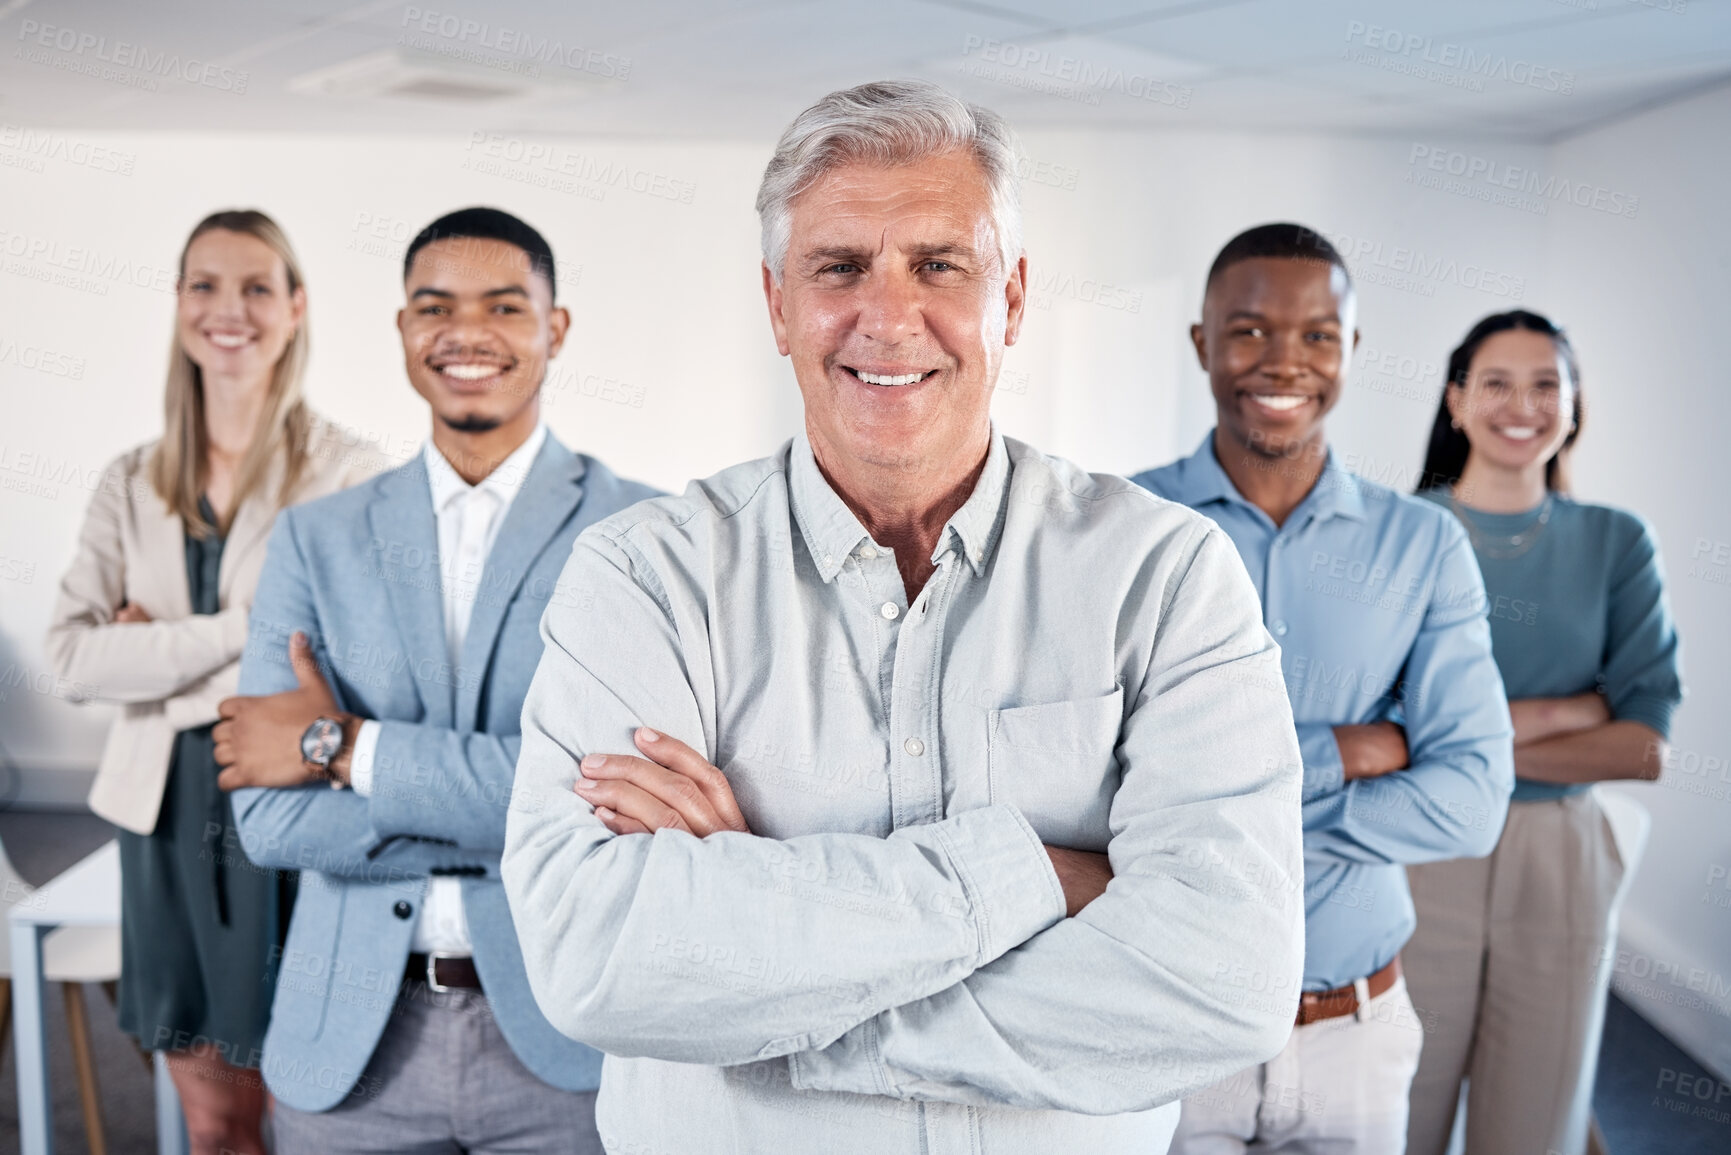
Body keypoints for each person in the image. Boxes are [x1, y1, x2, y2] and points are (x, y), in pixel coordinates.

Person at [500, 80, 1304, 1155]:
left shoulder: (1165, 576)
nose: (887, 317)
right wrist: (1037, 876)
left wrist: (771, 984)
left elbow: (1225, 977)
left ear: (1009, 300)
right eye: (839, 269)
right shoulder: (643, 578)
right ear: (778, 304)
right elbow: (597, 957)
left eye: (939, 265)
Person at [215, 207, 660, 1155]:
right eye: (435, 306)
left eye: (504, 305)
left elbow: (628, 807)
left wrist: (342, 747)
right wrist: (518, 809)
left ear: (556, 327)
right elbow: (270, 820)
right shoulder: (314, 538)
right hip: (354, 1044)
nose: (467, 332)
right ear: (405, 330)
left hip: (572, 1033)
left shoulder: (646, 534)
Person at [1130, 223, 1515, 1154]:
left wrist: (1225, 812)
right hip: (1168, 1027)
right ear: (1201, 344)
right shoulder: (1123, 529)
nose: (1283, 361)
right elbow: (1095, 787)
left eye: (1317, 335)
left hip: (1355, 1031)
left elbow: (1470, 801)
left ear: (1349, 351)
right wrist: (1349, 751)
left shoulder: (1423, 547)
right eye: (1250, 330)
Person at [45, 209, 383, 1155]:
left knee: (316, 1108)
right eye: (204, 284)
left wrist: (153, 655)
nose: (227, 309)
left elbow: (345, 665)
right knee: (214, 1123)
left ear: (295, 307)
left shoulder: (347, 473)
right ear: (180, 303)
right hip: (162, 821)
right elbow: (72, 656)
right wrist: (251, 636)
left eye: (255, 286)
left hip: (290, 811)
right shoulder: (129, 481)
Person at [1402, 310, 1683, 1155]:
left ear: (1572, 407)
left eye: (1544, 384)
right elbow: (1370, 723)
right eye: (1495, 382)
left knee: (1536, 1120)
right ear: (1455, 401)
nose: (1520, 404)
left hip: (1558, 855)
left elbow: (1641, 745)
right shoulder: (1399, 529)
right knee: (1395, 1106)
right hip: (1419, 846)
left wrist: (1459, 732)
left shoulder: (1617, 542)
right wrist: (1568, 708)